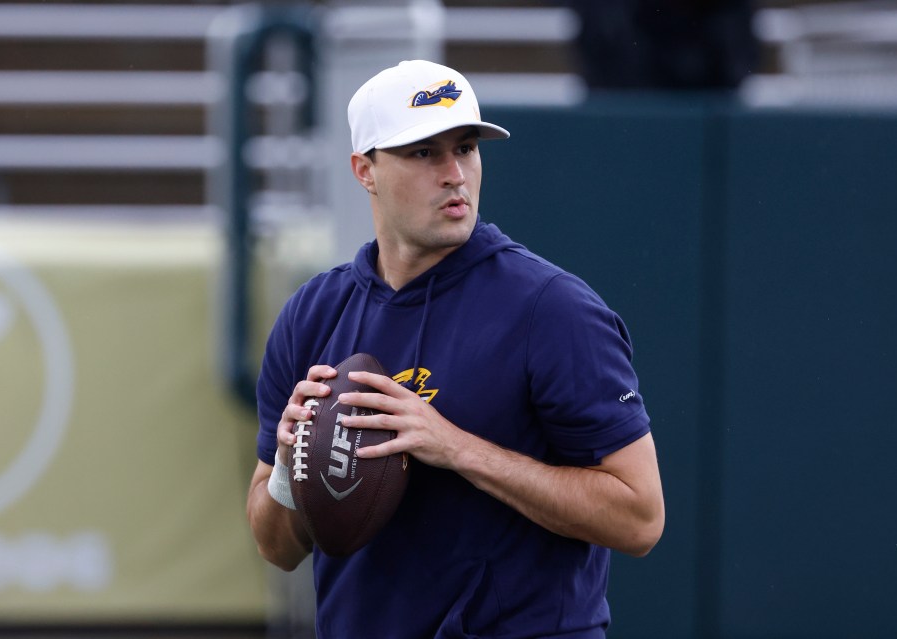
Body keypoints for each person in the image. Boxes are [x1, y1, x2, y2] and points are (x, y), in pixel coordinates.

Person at [247, 59, 664, 638]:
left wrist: (456, 448)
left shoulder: (552, 309)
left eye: (465, 147)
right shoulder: (311, 314)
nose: (454, 173)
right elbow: (275, 547)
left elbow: (640, 516)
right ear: (364, 170)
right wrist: (292, 470)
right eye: (424, 153)